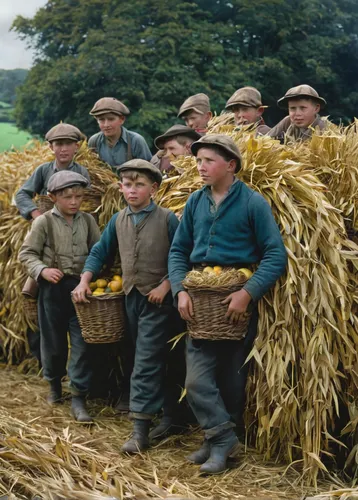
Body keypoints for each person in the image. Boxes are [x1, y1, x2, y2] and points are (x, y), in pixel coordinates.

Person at [168, 134, 287, 474]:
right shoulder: (194, 202)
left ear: (230, 165)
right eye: (198, 160)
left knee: (232, 381)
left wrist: (247, 293)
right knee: (196, 381)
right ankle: (222, 440)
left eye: (208, 161)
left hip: (235, 302)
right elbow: (178, 251)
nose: (200, 167)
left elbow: (275, 255)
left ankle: (215, 442)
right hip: (200, 300)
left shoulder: (252, 203)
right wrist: (180, 290)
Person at [72, 159, 180, 452]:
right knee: (137, 355)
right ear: (120, 187)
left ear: (154, 188)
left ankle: (139, 431)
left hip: (159, 301)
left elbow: (182, 256)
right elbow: (99, 252)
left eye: (139, 185)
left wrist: (166, 285)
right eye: (128, 185)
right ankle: (169, 415)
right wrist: (84, 281)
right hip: (130, 298)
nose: (132, 191)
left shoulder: (167, 219)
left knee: (146, 360)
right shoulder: (119, 220)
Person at [18, 171, 101, 422]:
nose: (74, 202)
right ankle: (54, 385)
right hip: (52, 290)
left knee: (82, 343)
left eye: (78, 196)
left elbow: (97, 251)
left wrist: (92, 274)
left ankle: (78, 397)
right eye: (67, 197)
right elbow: (26, 254)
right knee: (53, 343)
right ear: (53, 197)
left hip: (80, 290)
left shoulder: (87, 221)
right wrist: (43, 270)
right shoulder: (43, 222)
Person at [15, 123, 89, 221]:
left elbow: (88, 200)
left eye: (68, 143)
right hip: (46, 223)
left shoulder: (81, 171)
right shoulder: (43, 170)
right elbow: (22, 194)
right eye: (59, 144)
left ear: (76, 147)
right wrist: (36, 214)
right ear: (51, 147)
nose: (64, 149)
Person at [88, 97, 152, 170]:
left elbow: (148, 172)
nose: (106, 125)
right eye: (101, 120)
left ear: (122, 119)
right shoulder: (94, 142)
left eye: (111, 119)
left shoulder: (136, 141)